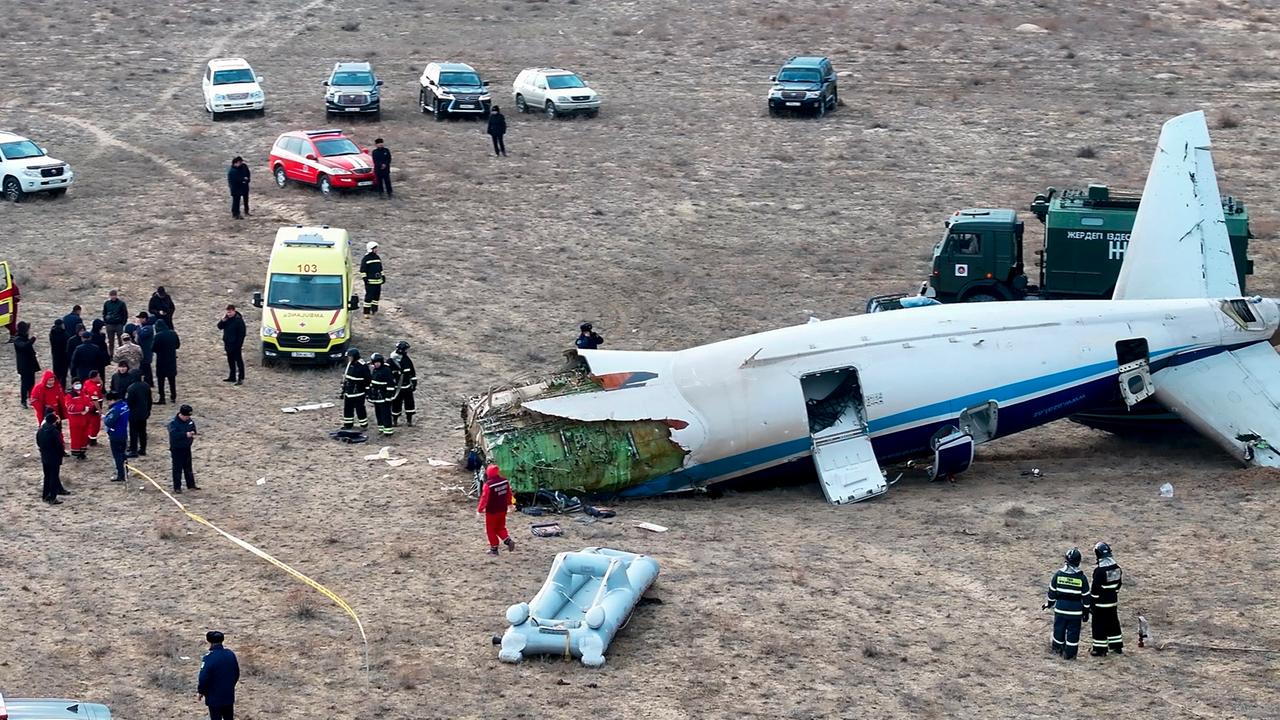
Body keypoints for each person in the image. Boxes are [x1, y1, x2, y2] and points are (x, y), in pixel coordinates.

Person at [1043, 547, 1091, 660]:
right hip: (1075, 612)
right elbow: (1086, 597)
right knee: (1073, 634)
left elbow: (1052, 592)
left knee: (1058, 630)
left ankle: (1057, 650)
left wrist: (1049, 604)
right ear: (1078, 562)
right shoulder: (1082, 578)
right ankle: (1070, 655)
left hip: (1060, 609)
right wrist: (1086, 612)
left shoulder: (1058, 574)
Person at [1089, 542, 1124, 656]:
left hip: (1100, 605)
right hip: (1112, 602)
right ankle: (1116, 646)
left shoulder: (1099, 571)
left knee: (1099, 625)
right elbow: (1118, 585)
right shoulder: (1117, 568)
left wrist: (1091, 603)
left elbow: (1095, 590)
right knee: (1113, 623)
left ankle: (1100, 649)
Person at [198, 630, 240, 720]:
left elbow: (203, 677)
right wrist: (230, 685)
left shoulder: (209, 658)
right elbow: (236, 672)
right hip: (228, 695)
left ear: (209, 642)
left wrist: (201, 691)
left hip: (214, 697)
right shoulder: (230, 654)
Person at [477, 465, 516, 556]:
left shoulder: (488, 485)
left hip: (492, 511)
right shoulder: (505, 481)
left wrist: (480, 510)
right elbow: (509, 494)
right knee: (500, 527)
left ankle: (494, 549)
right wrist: (510, 504)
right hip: (502, 509)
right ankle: (508, 541)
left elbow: (484, 498)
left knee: (490, 530)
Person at [37, 411, 68, 504]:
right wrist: (61, 453)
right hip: (54, 458)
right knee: (53, 477)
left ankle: (45, 496)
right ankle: (52, 498)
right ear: (54, 422)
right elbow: (59, 445)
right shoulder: (54, 432)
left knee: (47, 476)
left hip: (45, 456)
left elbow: (38, 442)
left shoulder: (41, 430)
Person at [167, 404, 199, 492]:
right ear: (182, 414)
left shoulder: (189, 421)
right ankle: (177, 487)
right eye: (187, 416)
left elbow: (193, 427)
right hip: (177, 449)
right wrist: (185, 434)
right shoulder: (173, 423)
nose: (188, 418)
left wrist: (193, 432)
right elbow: (173, 435)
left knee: (188, 467)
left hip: (186, 447)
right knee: (177, 468)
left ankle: (191, 485)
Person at [340, 348, 370, 430]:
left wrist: (367, 392)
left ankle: (363, 425)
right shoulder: (350, 364)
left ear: (355, 357)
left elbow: (367, 380)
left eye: (350, 357)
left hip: (358, 392)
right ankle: (348, 424)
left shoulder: (362, 366)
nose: (348, 358)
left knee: (360, 409)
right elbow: (346, 377)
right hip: (349, 391)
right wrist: (343, 389)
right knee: (347, 408)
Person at [104, 391, 130, 483]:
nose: (107, 403)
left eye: (108, 401)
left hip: (115, 435)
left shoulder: (116, 410)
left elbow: (108, 422)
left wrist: (105, 418)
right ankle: (126, 472)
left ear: (112, 400)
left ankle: (121, 475)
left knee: (118, 456)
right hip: (123, 434)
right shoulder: (125, 405)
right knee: (123, 454)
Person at [389, 340, 416, 427]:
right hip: (397, 388)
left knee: (409, 403)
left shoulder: (407, 360)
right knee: (396, 404)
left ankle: (409, 420)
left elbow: (412, 372)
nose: (406, 351)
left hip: (407, 387)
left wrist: (414, 382)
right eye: (405, 350)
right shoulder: (391, 361)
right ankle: (395, 420)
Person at [152, 319, 180, 404]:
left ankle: (162, 398)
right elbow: (178, 345)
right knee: (172, 380)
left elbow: (153, 348)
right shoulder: (173, 333)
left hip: (161, 361)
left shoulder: (158, 336)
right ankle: (173, 396)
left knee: (161, 381)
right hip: (171, 360)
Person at [368, 353, 396, 436]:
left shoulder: (386, 370)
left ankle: (388, 431)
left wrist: (388, 396)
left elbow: (391, 385)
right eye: (374, 363)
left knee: (385, 414)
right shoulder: (375, 370)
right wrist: (370, 394)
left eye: (378, 362)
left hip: (384, 397)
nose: (376, 364)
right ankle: (381, 428)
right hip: (377, 397)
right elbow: (372, 383)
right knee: (378, 413)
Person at [64, 381, 94, 460]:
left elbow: (89, 402)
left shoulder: (84, 393)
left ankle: (82, 452)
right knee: (76, 436)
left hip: (85, 419)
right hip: (75, 420)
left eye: (79, 383)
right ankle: (76, 452)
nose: (78, 385)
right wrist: (83, 408)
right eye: (76, 384)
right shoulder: (69, 395)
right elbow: (69, 407)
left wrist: (88, 408)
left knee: (84, 436)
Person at [126, 371, 152, 458]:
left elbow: (129, 402)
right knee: (142, 431)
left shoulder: (131, 388)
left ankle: (133, 450)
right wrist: (148, 410)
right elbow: (149, 400)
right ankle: (143, 449)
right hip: (143, 413)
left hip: (133, 414)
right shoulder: (146, 386)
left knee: (133, 432)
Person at [217, 305, 246, 385]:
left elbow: (242, 334)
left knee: (239, 361)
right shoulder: (227, 319)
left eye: (230, 312)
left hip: (236, 345)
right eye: (227, 312)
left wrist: (239, 345)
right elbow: (219, 327)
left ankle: (241, 378)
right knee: (230, 361)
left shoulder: (239, 321)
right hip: (228, 343)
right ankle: (232, 377)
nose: (228, 314)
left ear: (234, 311)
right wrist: (222, 321)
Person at [14, 321, 39, 408]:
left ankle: (32, 398)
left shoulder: (24, 338)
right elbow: (25, 346)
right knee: (25, 384)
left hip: (30, 364)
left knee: (32, 383)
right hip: (24, 366)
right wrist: (33, 338)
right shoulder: (17, 339)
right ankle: (23, 400)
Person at [359, 242, 384, 316]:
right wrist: (365, 279)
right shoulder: (366, 259)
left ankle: (374, 310)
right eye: (375, 248)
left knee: (376, 297)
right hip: (370, 282)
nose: (376, 249)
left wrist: (383, 276)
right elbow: (362, 270)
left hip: (378, 282)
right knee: (369, 297)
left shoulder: (377, 257)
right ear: (371, 249)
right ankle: (366, 312)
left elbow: (380, 268)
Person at [102, 290, 128, 356]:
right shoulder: (107, 303)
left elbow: (125, 314)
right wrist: (106, 322)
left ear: (116, 295)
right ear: (110, 296)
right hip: (109, 325)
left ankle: (121, 354)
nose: (113, 297)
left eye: (114, 295)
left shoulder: (121, 303)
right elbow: (104, 313)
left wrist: (123, 323)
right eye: (112, 295)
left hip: (119, 325)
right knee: (111, 341)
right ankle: (111, 355)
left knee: (121, 341)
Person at [83, 370, 105, 446]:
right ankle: (92, 440)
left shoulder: (87, 382)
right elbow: (95, 401)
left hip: (88, 407)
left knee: (89, 424)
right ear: (94, 377)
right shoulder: (93, 388)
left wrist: (101, 383)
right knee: (95, 425)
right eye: (98, 376)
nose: (100, 377)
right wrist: (100, 411)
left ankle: (88, 438)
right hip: (94, 409)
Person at [135, 312, 156, 387]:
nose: (139, 320)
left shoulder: (148, 328)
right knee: (145, 367)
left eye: (140, 318)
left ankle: (149, 382)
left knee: (146, 367)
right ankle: (148, 382)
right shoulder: (145, 327)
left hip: (146, 351)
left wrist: (137, 327)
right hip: (143, 350)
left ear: (144, 319)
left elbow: (141, 334)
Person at [49, 318, 70, 389]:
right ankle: (62, 389)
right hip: (63, 357)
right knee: (63, 375)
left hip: (55, 356)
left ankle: (55, 389)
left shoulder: (52, 334)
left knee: (56, 374)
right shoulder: (65, 335)